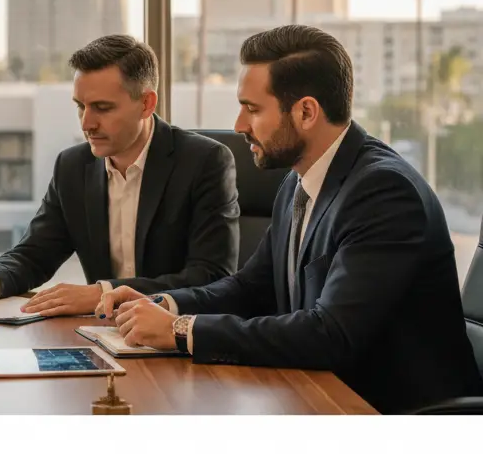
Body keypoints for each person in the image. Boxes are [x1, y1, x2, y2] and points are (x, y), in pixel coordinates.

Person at [97, 24, 483, 415]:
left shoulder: (383, 192)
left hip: (393, 418)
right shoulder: (298, 181)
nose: (239, 126)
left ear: (306, 112)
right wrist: (165, 305)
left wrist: (180, 333)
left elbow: (331, 334)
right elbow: (251, 288)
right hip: (315, 395)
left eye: (252, 108)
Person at [0, 34, 240, 315]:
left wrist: (103, 293)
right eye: (80, 107)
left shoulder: (205, 162)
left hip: (177, 341)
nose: (87, 124)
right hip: (101, 336)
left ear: (147, 104)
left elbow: (210, 277)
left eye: (102, 108)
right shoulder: (72, 167)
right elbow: (35, 254)